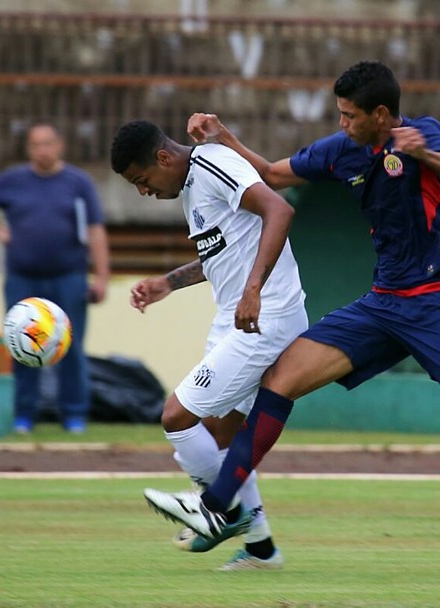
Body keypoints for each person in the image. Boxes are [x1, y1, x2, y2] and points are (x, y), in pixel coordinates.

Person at [143, 60, 440, 548]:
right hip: (384, 305)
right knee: (281, 379)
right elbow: (273, 173)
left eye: (349, 115)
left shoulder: (424, 133)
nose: (342, 124)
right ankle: (217, 507)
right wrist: (225, 136)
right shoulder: (343, 151)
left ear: (381, 114)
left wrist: (426, 153)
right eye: (338, 114)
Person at [111, 119, 309, 571]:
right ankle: (261, 552)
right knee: (221, 435)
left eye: (142, 181)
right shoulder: (192, 188)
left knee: (177, 416)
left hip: (266, 317)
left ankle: (225, 512)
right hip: (239, 318)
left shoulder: (213, 163)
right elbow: (224, 250)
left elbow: (279, 211)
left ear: (163, 158)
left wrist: (254, 290)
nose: (144, 192)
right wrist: (168, 282)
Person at [0, 123, 111, 434]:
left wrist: (101, 277)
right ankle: (23, 416)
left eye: (47, 144)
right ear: (29, 149)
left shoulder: (78, 183)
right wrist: (0, 233)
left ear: (60, 145)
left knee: (70, 348)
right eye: (35, 145)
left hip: (69, 277)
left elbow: (96, 230)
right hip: (23, 280)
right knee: (22, 346)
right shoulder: (13, 180)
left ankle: (74, 416)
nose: (41, 150)